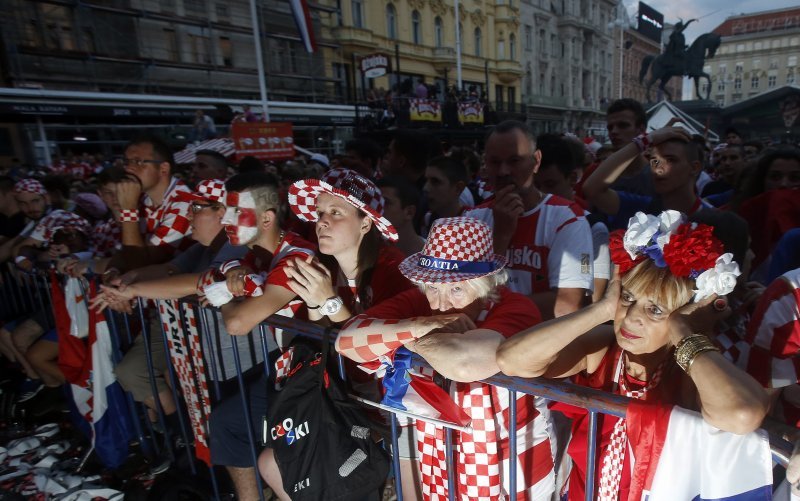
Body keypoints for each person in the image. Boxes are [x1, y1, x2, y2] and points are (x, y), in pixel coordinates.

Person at [496, 210, 770, 500]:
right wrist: (602, 308)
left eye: (655, 310)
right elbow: (511, 360)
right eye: (628, 298)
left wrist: (682, 328)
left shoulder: (694, 372)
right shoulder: (602, 350)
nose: (631, 318)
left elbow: (742, 415)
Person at [335, 217, 556, 501]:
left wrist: (403, 340)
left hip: (512, 455)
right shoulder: (418, 303)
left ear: (485, 284)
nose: (440, 304)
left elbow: (463, 364)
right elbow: (347, 340)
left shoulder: (516, 308)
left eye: (456, 289)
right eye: (432, 287)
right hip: (442, 451)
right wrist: (415, 327)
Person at [259, 168, 414, 500]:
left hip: (396, 413)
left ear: (366, 223)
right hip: (345, 409)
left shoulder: (392, 269)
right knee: (272, 462)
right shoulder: (324, 268)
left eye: (335, 212)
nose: (321, 222)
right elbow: (315, 341)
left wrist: (328, 303)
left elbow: (381, 346)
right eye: (319, 213)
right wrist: (318, 306)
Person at [465, 120, 594, 319]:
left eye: (514, 161)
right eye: (495, 162)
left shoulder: (568, 218)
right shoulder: (472, 219)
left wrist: (490, 307)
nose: (503, 171)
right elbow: (463, 303)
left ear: (536, 161)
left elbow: (567, 304)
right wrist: (500, 237)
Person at [583, 126, 714, 229]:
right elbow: (592, 189)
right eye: (654, 161)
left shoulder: (717, 221)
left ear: (695, 168)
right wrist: (644, 141)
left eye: (670, 160)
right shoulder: (641, 209)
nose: (659, 168)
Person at [376, 176, 425, 257]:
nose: (377, 208)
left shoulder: (436, 259)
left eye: (385, 203)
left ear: (409, 212)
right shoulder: (370, 253)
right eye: (377, 202)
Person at [421, 156, 471, 236]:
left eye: (435, 181)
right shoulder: (428, 218)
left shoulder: (474, 222)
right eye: (426, 180)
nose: (426, 188)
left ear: (458, 188)